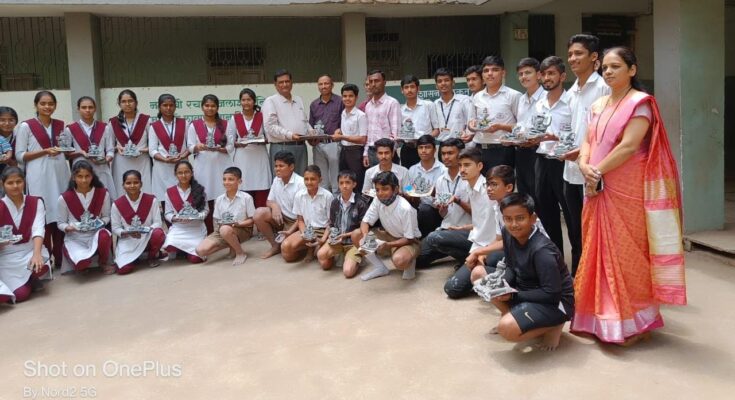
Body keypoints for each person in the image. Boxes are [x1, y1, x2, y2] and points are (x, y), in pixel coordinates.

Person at [572, 47, 686, 345]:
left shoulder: (640, 103)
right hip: (595, 185)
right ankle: (598, 318)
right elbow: (588, 140)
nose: (608, 72)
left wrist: (594, 170)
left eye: (616, 66)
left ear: (632, 70)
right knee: (595, 250)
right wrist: (584, 164)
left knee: (627, 253)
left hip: (625, 189)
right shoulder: (597, 104)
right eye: (605, 68)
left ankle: (634, 322)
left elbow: (628, 146)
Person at [489, 193, 574, 352]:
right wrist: (503, 285)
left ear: (533, 218)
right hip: (528, 290)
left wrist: (513, 295)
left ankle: (553, 326)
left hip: (557, 302)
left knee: (506, 329)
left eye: (520, 218)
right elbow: (511, 266)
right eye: (508, 219)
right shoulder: (508, 234)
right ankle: (523, 319)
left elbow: (552, 293)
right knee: (490, 287)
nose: (513, 224)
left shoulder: (542, 251)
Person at [562, 34, 611, 276]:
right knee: (574, 229)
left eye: (578, 53)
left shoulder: (603, 88)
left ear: (594, 58)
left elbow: (604, 134)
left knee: (594, 230)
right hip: (570, 171)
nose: (573, 58)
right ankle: (578, 278)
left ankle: (594, 279)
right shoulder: (572, 92)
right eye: (570, 54)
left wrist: (582, 153)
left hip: (593, 171)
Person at [15, 90, 71, 268]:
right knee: (43, 214)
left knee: (60, 212)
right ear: (36, 105)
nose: (47, 107)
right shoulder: (26, 126)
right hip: (39, 175)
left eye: (51, 104)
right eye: (43, 103)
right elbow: (19, 155)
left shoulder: (61, 125)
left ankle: (62, 258)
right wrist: (45, 151)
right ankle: (44, 258)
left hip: (60, 172)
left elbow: (67, 149)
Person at [530, 56, 575, 272]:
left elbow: (576, 135)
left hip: (564, 162)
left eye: (551, 73)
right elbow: (533, 130)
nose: (546, 78)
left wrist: (554, 137)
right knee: (546, 214)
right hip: (541, 160)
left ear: (562, 76)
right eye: (544, 74)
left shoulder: (571, 102)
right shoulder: (538, 104)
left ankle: (579, 269)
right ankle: (556, 265)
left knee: (571, 214)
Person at [437, 148, 496, 298]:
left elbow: (497, 229)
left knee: (452, 289)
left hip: (490, 246)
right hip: (476, 241)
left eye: (467, 165)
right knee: (439, 237)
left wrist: (481, 253)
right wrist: (462, 228)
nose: (462, 170)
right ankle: (471, 263)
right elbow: (481, 222)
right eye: (460, 165)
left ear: (480, 166)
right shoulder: (470, 187)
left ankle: (492, 270)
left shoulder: (488, 191)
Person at [350, 171, 421, 281]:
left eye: (385, 189)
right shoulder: (377, 200)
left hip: (409, 241)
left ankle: (409, 262)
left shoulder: (405, 208)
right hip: (388, 235)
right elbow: (365, 222)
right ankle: (380, 267)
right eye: (377, 190)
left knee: (399, 261)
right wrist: (365, 236)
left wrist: (388, 245)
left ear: (396, 189)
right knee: (357, 235)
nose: (380, 193)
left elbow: (409, 239)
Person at [416, 138, 471, 268]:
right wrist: (442, 209)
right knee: (417, 261)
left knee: (434, 238)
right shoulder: (441, 180)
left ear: (460, 154)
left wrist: (457, 201)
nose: (446, 157)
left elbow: (479, 213)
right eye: (443, 153)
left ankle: (467, 258)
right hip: (446, 228)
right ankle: (457, 252)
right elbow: (443, 215)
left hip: (466, 231)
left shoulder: (470, 178)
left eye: (450, 153)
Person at [0, 167, 50, 304]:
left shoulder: (35, 202)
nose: (15, 186)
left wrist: (37, 253)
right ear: (2, 184)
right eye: (10, 183)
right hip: (6, 255)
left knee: (40, 266)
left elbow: (38, 229)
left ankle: (31, 277)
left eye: (19, 181)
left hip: (30, 249)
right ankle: (28, 281)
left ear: (24, 182)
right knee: (20, 295)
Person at [466, 56, 521, 174]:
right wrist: (471, 126)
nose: (490, 74)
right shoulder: (477, 97)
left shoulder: (514, 95)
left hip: (502, 150)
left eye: (495, 70)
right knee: (481, 188)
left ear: (503, 73)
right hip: (479, 149)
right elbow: (472, 122)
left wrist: (501, 127)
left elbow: (522, 126)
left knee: (502, 188)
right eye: (486, 71)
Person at [57, 161, 114, 275]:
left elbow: (107, 216)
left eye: (87, 176)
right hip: (76, 238)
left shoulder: (103, 193)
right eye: (80, 176)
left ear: (92, 176)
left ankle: (103, 262)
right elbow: (60, 223)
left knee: (104, 234)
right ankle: (80, 260)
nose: (84, 180)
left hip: (95, 234)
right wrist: (68, 228)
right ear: (73, 177)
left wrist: (99, 222)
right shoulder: (64, 198)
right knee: (81, 265)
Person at [188, 94, 232, 234]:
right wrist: (197, 147)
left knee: (222, 195)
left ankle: (226, 231)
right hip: (203, 166)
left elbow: (231, 145)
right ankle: (208, 231)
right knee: (206, 197)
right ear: (202, 107)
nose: (210, 108)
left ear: (217, 107)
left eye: (213, 106)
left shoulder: (225, 124)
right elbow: (189, 145)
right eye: (207, 105)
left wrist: (221, 148)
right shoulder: (194, 125)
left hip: (221, 164)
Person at [196, 166, 256, 266]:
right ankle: (232, 244)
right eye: (224, 179)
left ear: (239, 181)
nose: (226, 182)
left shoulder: (246, 198)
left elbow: (252, 220)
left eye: (231, 179)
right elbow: (217, 220)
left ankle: (240, 253)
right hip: (223, 230)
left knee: (225, 230)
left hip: (242, 229)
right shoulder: (219, 199)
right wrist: (221, 227)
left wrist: (238, 223)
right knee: (200, 251)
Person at [111, 170, 166, 275]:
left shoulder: (151, 200)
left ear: (141, 184)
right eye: (128, 183)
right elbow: (116, 228)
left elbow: (157, 223)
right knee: (123, 270)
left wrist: (146, 230)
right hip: (128, 240)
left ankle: (152, 256)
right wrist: (127, 233)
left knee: (158, 233)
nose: (132, 186)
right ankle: (134, 257)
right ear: (123, 185)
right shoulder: (117, 204)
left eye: (136, 182)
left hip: (147, 237)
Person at [316, 170, 369, 278]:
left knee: (348, 272)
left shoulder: (361, 203)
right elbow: (331, 224)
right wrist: (330, 236)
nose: (344, 186)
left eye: (348, 182)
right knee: (321, 257)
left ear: (354, 184)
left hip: (353, 242)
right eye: (341, 183)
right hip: (337, 241)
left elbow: (362, 229)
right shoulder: (335, 202)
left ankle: (357, 257)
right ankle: (340, 255)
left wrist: (346, 235)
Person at [253, 151, 305, 259]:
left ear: (291, 167)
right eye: (276, 166)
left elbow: (304, 214)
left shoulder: (301, 183)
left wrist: (292, 230)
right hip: (282, 219)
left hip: (298, 222)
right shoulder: (277, 180)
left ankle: (300, 246)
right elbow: (269, 201)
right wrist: (275, 207)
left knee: (288, 255)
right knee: (259, 213)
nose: (277, 169)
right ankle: (275, 245)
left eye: (281, 166)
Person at [227, 88, 272, 208]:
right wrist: (238, 143)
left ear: (254, 101)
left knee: (261, 186)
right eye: (243, 100)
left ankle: (261, 219)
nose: (246, 102)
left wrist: (261, 140)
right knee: (243, 186)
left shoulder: (262, 116)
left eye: (249, 100)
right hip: (242, 158)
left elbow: (269, 136)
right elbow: (230, 141)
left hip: (259, 157)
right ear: (240, 101)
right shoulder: (234, 118)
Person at [66, 96, 116, 199]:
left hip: (101, 168)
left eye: (90, 107)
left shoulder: (104, 127)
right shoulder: (70, 129)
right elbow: (67, 155)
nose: (87, 110)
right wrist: (81, 153)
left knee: (103, 197)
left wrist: (105, 160)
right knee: (82, 198)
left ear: (95, 109)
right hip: (80, 171)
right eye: (84, 107)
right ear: (78, 109)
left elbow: (110, 150)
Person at [280, 165, 332, 262]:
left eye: (313, 179)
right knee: (287, 251)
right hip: (308, 229)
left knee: (324, 261)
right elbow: (300, 220)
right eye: (306, 179)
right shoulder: (299, 195)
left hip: (323, 230)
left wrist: (324, 238)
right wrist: (305, 234)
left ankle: (317, 247)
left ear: (320, 180)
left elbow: (331, 222)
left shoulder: (327, 196)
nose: (309, 182)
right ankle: (309, 247)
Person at [262, 69, 310, 174]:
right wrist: (290, 135)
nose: (285, 84)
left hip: (301, 147)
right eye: (281, 82)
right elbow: (270, 127)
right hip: (282, 147)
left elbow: (304, 122)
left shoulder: (298, 99)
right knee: (282, 181)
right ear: (275, 84)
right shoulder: (270, 101)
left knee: (301, 182)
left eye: (287, 81)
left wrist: (312, 134)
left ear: (291, 82)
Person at [161, 160, 207, 264]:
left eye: (186, 172)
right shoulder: (169, 192)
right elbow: (167, 213)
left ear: (192, 173)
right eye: (180, 173)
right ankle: (182, 250)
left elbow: (206, 210)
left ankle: (185, 251)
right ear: (175, 174)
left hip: (196, 229)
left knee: (196, 259)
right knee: (169, 246)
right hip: (179, 229)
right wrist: (175, 218)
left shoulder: (200, 190)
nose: (183, 175)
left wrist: (198, 216)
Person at [513, 58, 545, 201]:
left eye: (528, 73)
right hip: (521, 151)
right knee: (524, 193)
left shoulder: (546, 97)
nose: (523, 77)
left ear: (538, 75)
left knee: (540, 194)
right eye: (520, 74)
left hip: (539, 152)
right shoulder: (521, 99)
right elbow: (520, 125)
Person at [149, 94, 189, 204]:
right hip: (163, 169)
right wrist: (164, 159)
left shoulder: (184, 123)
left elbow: (190, 146)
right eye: (165, 105)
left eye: (171, 105)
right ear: (159, 107)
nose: (168, 108)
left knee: (184, 198)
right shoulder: (154, 126)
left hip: (181, 166)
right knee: (165, 200)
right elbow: (152, 150)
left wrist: (182, 156)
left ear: (175, 106)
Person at [109, 89, 152, 194]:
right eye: (123, 101)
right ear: (119, 104)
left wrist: (144, 150)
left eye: (130, 101)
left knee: (144, 189)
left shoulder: (146, 120)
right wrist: (116, 148)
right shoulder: (113, 122)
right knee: (121, 191)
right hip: (121, 162)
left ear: (136, 102)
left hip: (141, 161)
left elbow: (154, 144)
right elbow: (109, 146)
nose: (127, 104)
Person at [407, 134, 446, 237]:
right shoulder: (412, 169)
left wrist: (433, 194)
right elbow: (408, 187)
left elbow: (444, 196)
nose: (423, 151)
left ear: (434, 150)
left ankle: (425, 239)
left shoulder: (443, 170)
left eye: (427, 147)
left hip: (436, 210)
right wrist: (409, 194)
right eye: (420, 148)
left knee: (425, 209)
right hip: (417, 206)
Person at [309, 74, 343, 192]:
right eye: (320, 84)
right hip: (318, 145)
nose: (323, 86)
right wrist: (311, 137)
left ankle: (336, 205)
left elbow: (345, 122)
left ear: (332, 85)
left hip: (334, 143)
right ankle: (324, 206)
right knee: (321, 179)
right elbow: (311, 125)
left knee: (335, 179)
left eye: (326, 83)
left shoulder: (340, 101)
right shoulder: (314, 104)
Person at [399, 74, 439, 168]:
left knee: (427, 175)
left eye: (412, 87)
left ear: (418, 88)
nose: (409, 90)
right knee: (408, 178)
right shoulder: (400, 111)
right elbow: (400, 132)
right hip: (407, 149)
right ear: (402, 90)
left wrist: (424, 140)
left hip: (424, 148)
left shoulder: (428, 105)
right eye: (406, 87)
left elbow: (437, 130)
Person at [333, 83, 367, 192]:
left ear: (356, 97)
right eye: (345, 96)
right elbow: (346, 131)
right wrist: (340, 131)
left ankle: (358, 206)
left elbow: (362, 139)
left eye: (350, 96)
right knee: (343, 180)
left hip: (356, 152)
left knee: (356, 181)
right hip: (344, 151)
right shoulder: (343, 113)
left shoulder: (361, 115)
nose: (347, 99)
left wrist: (342, 137)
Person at [364, 69, 401, 167]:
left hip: (387, 154)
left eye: (377, 81)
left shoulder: (392, 103)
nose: (373, 84)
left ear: (384, 82)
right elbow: (368, 132)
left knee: (389, 182)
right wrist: (365, 153)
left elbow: (395, 133)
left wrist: (389, 153)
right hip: (371, 152)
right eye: (370, 82)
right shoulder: (368, 106)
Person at [434, 68, 472, 144]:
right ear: (436, 86)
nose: (443, 83)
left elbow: (470, 121)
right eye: (440, 81)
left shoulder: (464, 100)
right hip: (443, 145)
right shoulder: (435, 104)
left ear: (453, 83)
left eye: (446, 80)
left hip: (461, 143)